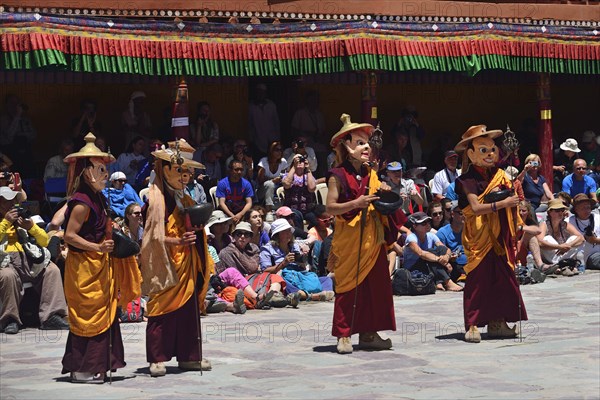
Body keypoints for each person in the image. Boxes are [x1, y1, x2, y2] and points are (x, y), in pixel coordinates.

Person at [61, 133, 141, 383]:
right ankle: (81, 367)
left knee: (107, 313)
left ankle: (99, 365)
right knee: (89, 314)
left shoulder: (98, 197)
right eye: (100, 169)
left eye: (106, 169)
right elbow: (69, 236)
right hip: (84, 266)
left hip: (100, 264)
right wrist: (97, 248)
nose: (106, 174)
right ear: (86, 173)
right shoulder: (81, 203)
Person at [326, 113, 405, 354]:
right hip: (350, 240)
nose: (366, 147)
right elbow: (329, 207)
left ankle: (369, 334)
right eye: (359, 143)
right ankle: (343, 334)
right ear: (346, 146)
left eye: (367, 143)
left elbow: (378, 202)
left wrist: (384, 192)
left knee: (375, 288)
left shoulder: (371, 174)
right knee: (348, 287)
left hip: (373, 239)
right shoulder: (336, 175)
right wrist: (355, 203)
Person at [139, 138, 213, 377]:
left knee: (188, 311)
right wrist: (179, 241)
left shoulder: (186, 197)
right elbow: (152, 238)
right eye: (179, 170)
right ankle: (157, 358)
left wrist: (198, 232)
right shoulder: (155, 201)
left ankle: (190, 357)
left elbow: (192, 225)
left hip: (187, 263)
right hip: (167, 265)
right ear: (164, 169)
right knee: (161, 309)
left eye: (187, 171)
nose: (185, 175)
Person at [454, 125, 527, 343]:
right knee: (478, 281)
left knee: (503, 279)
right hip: (479, 234)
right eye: (483, 150)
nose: (490, 154)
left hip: (500, 235)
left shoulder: (500, 175)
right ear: (471, 154)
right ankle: (473, 324)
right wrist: (504, 202)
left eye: (492, 149)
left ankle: (498, 323)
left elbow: (512, 198)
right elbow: (476, 208)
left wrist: (513, 207)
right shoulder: (466, 179)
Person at [0, 186, 69, 335]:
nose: (13, 204)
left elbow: (44, 241)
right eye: (8, 201)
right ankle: (10, 319)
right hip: (4, 262)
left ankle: (51, 316)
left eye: (14, 200)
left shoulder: (21, 220)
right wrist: (5, 222)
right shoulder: (4, 221)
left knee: (51, 270)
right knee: (7, 275)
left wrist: (31, 227)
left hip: (27, 259)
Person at [402, 212, 464, 292]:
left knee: (440, 249)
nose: (427, 224)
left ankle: (439, 282)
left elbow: (446, 249)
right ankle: (447, 283)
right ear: (415, 226)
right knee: (430, 252)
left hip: (428, 265)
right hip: (413, 269)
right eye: (423, 223)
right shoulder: (411, 238)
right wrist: (440, 260)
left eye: (428, 222)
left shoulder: (431, 235)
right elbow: (421, 253)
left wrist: (446, 257)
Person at [537, 199, 584, 275]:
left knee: (574, 238)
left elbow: (581, 238)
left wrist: (567, 246)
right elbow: (539, 242)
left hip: (563, 253)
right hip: (551, 255)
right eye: (557, 210)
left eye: (562, 210)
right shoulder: (544, 224)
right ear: (550, 212)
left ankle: (562, 266)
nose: (560, 213)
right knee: (547, 238)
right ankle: (565, 265)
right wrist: (558, 247)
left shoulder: (565, 224)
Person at [0, 94, 36, 176]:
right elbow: (9, 136)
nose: (15, 105)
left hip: (25, 154)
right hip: (9, 155)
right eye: (12, 103)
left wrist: (22, 134)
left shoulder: (25, 119)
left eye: (17, 103)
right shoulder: (3, 119)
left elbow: (33, 135)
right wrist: (17, 116)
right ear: (7, 105)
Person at [282, 154, 317, 227]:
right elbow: (287, 184)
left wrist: (308, 169)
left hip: (306, 209)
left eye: (302, 161)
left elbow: (312, 188)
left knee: (315, 218)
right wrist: (294, 166)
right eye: (297, 161)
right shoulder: (288, 175)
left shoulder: (308, 176)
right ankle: (300, 235)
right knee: (297, 216)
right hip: (292, 209)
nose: (300, 162)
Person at [435, 204, 468, 283]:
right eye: (460, 213)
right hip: (454, 265)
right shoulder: (442, 233)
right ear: (452, 214)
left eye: (466, 212)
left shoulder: (470, 230)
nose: (464, 215)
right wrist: (449, 256)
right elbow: (439, 253)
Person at [248, 83, 280, 158]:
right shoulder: (251, 106)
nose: (260, 94)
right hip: (258, 140)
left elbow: (276, 122)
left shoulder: (271, 105)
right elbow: (250, 124)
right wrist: (251, 139)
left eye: (262, 92)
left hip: (272, 138)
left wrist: (278, 137)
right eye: (258, 92)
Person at [216, 159, 254, 224]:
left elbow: (249, 203)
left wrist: (240, 214)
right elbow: (222, 203)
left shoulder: (246, 184)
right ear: (230, 171)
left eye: (241, 170)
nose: (239, 172)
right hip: (227, 210)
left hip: (241, 210)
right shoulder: (222, 183)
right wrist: (232, 216)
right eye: (236, 170)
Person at [569, 193, 600, 270]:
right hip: (587, 256)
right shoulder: (569, 221)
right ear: (576, 209)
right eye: (583, 208)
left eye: (588, 207)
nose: (587, 210)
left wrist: (595, 240)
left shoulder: (598, 218)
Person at [257, 141, 288, 212]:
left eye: (281, 150)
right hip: (262, 191)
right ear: (271, 151)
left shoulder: (283, 162)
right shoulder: (264, 161)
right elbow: (260, 181)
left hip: (276, 189)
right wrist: (273, 180)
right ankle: (269, 211)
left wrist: (280, 179)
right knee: (270, 184)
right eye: (277, 150)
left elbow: (284, 176)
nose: (279, 152)